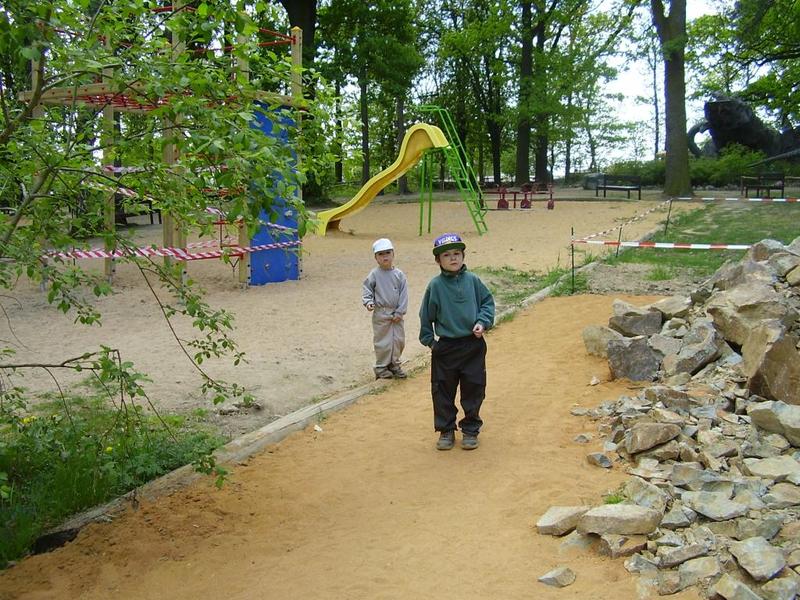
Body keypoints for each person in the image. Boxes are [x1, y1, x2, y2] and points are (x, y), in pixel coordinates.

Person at [419, 233, 495, 451]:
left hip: (473, 344)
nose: (452, 258)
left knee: (474, 388)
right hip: (446, 347)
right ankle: (446, 430)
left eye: (456, 253)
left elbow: (487, 302)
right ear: (438, 260)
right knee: (442, 389)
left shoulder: (473, 281)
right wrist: (430, 342)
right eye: (446, 255)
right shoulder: (435, 286)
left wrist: (482, 322)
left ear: (463, 256)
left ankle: (470, 429)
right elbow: (425, 316)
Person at [362, 238, 408, 380]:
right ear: (376, 257)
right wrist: (368, 302)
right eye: (381, 254)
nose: (385, 257)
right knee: (383, 341)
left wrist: (400, 311)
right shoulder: (374, 275)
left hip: (396, 313)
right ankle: (381, 367)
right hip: (381, 313)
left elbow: (404, 294)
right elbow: (367, 289)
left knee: (398, 340)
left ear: (393, 254)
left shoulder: (399, 275)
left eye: (388, 253)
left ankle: (395, 365)